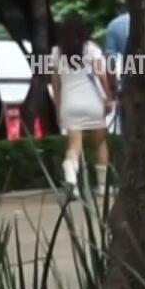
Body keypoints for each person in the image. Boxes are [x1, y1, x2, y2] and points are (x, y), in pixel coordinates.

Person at [50, 15, 113, 197]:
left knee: (73, 147)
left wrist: (58, 109)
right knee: (100, 143)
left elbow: (56, 86)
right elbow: (102, 75)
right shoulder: (91, 49)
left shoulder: (55, 53)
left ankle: (71, 179)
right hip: (92, 102)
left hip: (70, 104)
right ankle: (102, 187)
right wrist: (108, 98)